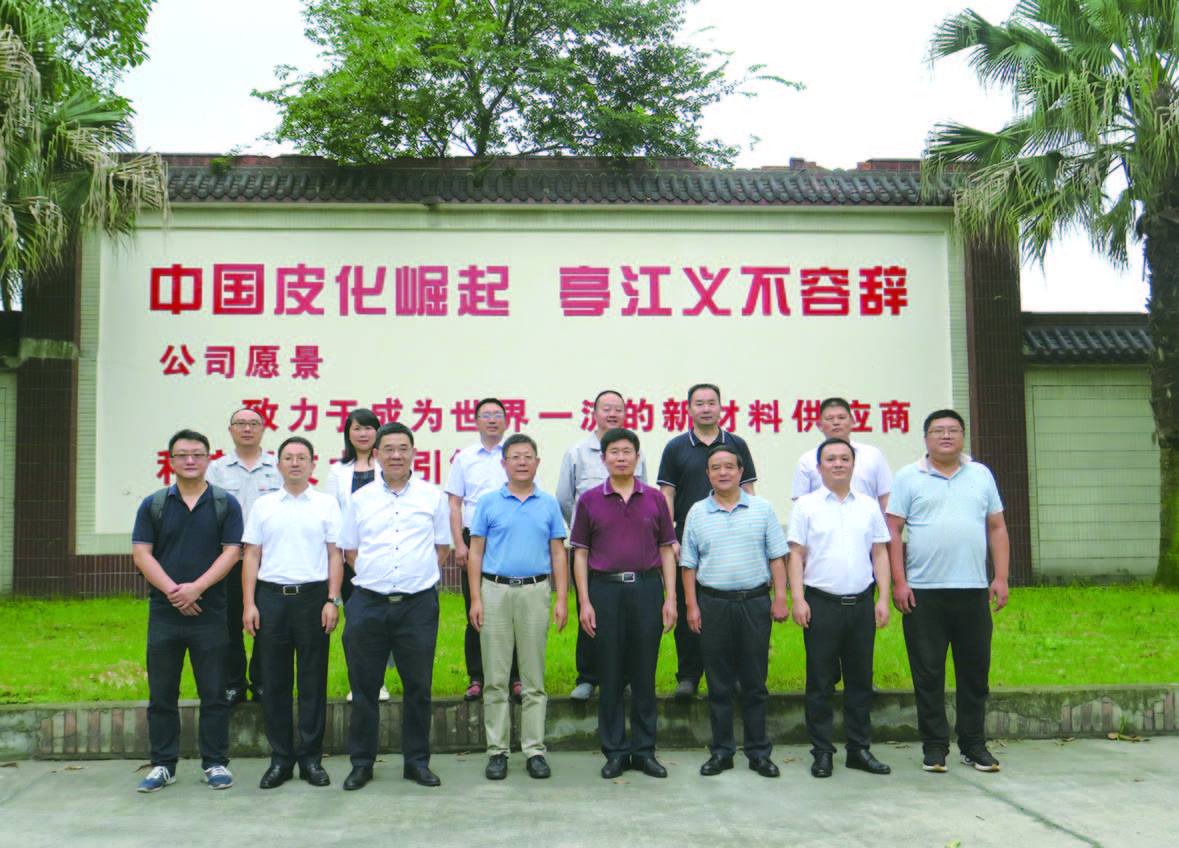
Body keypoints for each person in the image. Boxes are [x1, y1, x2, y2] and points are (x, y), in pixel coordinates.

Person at [887, 409, 1010, 774]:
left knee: (974, 672)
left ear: (963, 436)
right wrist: (899, 582)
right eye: (938, 431)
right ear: (925, 439)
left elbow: (997, 527)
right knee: (928, 674)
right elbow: (893, 531)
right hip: (924, 593)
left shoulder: (981, 474)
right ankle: (935, 746)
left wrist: (1001, 577)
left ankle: (973, 744)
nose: (945, 436)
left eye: (953, 430)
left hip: (972, 589)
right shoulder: (908, 477)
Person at [338, 421, 451, 791]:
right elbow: (350, 550)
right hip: (368, 603)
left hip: (417, 606)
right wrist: (379, 577)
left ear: (414, 453)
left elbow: (442, 547)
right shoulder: (360, 499)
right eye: (388, 449)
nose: (396, 455)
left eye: (403, 448)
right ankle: (361, 764)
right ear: (376, 454)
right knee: (364, 688)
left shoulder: (432, 496)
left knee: (418, 687)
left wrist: (413, 578)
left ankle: (416, 762)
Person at [131, 429, 244, 792]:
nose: (190, 460)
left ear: (209, 459)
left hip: (210, 612)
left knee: (214, 692)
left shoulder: (226, 504)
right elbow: (141, 553)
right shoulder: (154, 504)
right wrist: (173, 591)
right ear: (171, 461)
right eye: (182, 455)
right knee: (162, 693)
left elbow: (232, 552)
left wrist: (197, 588)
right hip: (165, 613)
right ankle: (163, 764)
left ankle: (215, 762)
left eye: (197, 454)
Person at [571, 428, 677, 780]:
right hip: (605, 591)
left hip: (646, 589)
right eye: (613, 452)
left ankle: (644, 751)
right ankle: (615, 751)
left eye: (627, 451)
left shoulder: (654, 499)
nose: (620, 457)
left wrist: (671, 597)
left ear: (637, 457)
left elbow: (666, 550)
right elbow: (580, 554)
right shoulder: (590, 500)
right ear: (603, 459)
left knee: (645, 673)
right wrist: (584, 601)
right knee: (611, 673)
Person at [681, 445, 789, 779]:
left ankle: (758, 752)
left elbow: (777, 557)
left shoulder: (762, 509)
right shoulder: (697, 512)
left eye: (729, 466)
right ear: (708, 474)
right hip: (713, 604)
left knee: (755, 682)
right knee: (719, 683)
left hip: (754, 603)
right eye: (716, 467)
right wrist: (692, 606)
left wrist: (780, 597)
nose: (723, 472)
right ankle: (722, 752)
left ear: (741, 472)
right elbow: (688, 564)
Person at [241, 436, 343, 789]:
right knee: (274, 681)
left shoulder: (326, 504)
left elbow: (335, 554)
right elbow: (251, 555)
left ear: (313, 463)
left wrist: (332, 600)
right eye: (289, 457)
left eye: (302, 457)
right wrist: (249, 603)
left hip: (313, 597)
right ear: (279, 464)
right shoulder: (264, 505)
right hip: (271, 598)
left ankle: (311, 758)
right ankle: (281, 758)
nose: (295, 463)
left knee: (313, 680)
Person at [788, 437, 893, 779]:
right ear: (819, 467)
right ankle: (822, 752)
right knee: (820, 683)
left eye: (844, 459)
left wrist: (883, 598)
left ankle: (859, 749)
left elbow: (880, 552)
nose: (838, 464)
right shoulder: (806, 506)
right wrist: (798, 598)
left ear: (853, 464)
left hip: (861, 602)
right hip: (821, 603)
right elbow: (796, 555)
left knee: (860, 680)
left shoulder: (868, 505)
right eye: (830, 459)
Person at [467, 434, 568, 780]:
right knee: (495, 678)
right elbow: (476, 552)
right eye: (515, 457)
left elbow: (558, 553)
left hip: (535, 592)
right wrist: (476, 598)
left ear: (537, 462)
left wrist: (562, 599)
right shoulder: (488, 503)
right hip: (494, 592)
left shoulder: (548, 504)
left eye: (528, 456)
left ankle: (534, 750)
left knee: (533, 678)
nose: (522, 462)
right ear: (504, 463)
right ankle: (497, 751)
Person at [657, 382, 757, 700]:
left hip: (732, 535)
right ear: (688, 409)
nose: (705, 409)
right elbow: (667, 494)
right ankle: (689, 675)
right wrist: (669, 537)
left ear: (720, 407)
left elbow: (749, 490)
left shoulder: (736, 444)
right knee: (689, 604)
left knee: (730, 606)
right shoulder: (675, 447)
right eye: (699, 403)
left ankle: (735, 674)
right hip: (687, 536)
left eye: (711, 403)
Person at [555, 388, 649, 700]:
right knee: (589, 609)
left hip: (628, 544)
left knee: (629, 616)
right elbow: (564, 499)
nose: (612, 414)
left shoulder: (636, 452)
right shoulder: (577, 452)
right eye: (606, 408)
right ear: (594, 413)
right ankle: (588, 676)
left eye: (618, 409)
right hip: (590, 545)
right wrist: (588, 528)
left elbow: (644, 494)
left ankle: (627, 677)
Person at [207, 406, 283, 705]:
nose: (247, 428)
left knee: (267, 622)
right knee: (229, 623)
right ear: (230, 430)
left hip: (269, 560)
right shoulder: (216, 469)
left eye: (253, 423)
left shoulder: (277, 466)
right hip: (230, 559)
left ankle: (262, 682)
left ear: (263, 428)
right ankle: (233, 683)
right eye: (240, 423)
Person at [445, 397, 519, 702]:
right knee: (475, 607)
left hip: (510, 538)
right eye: (486, 415)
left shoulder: (516, 455)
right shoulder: (464, 458)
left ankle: (515, 677)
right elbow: (454, 503)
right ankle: (477, 676)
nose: (492, 419)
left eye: (497, 415)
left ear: (506, 421)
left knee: (512, 608)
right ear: (475, 421)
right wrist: (459, 544)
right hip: (473, 538)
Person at [324, 407, 392, 703]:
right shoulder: (338, 471)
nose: (363, 434)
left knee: (384, 621)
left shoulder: (388, 466)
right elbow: (331, 513)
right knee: (356, 623)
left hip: (383, 554)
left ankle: (380, 682)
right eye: (357, 428)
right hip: (348, 558)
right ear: (348, 434)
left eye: (368, 428)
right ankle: (359, 682)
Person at [791, 397, 892, 510]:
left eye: (841, 418)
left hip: (866, 520)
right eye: (829, 418)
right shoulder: (807, 460)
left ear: (852, 421)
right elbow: (799, 505)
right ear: (819, 425)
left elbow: (885, 497)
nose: (836, 422)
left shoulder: (873, 455)